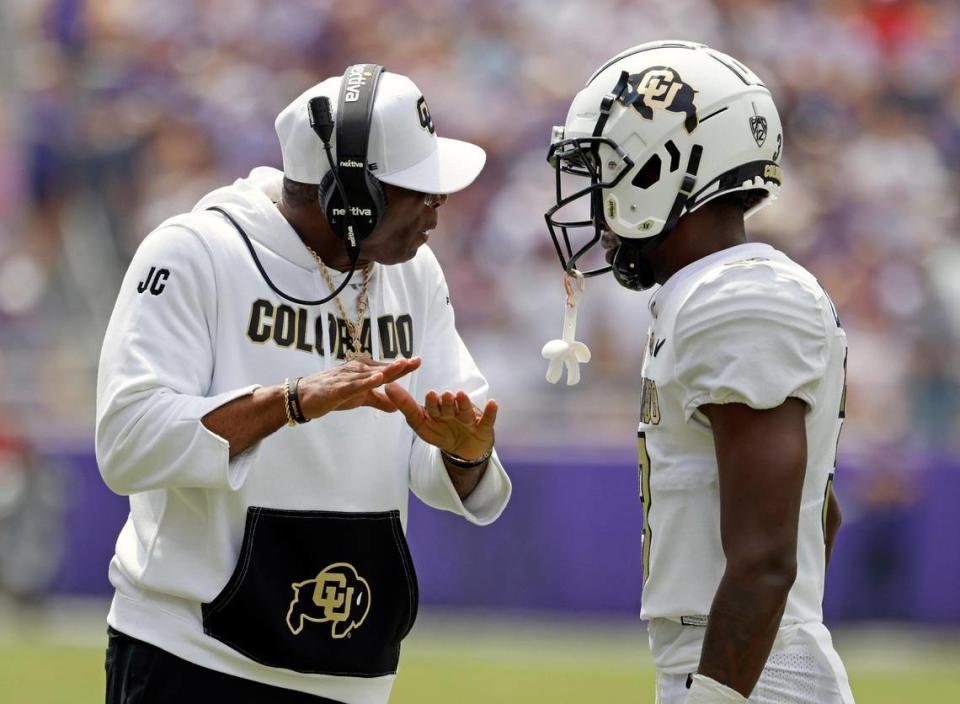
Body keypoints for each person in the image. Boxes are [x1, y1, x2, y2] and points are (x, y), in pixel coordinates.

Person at [96, 64, 511, 704]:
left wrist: (462, 453)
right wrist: (290, 401)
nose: (439, 208)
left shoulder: (415, 273)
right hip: (191, 656)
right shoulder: (195, 251)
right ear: (352, 193)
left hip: (352, 670)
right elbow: (127, 443)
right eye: (419, 191)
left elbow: (442, 459)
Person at [542, 41, 854, 703]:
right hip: (740, 664)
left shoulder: (738, 300)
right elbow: (816, 514)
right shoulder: (718, 293)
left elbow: (770, 558)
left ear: (662, 167)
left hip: (752, 677)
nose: (594, 199)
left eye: (604, 169)